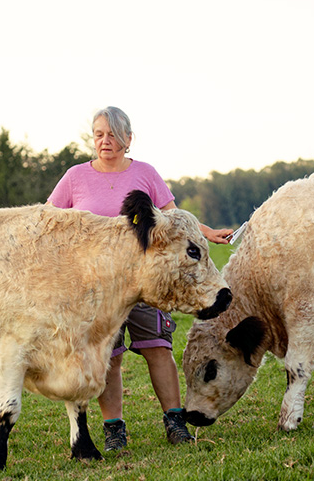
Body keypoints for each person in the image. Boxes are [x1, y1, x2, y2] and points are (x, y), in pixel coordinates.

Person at [48, 106, 233, 451]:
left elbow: (175, 220)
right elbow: (51, 222)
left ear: (128, 139)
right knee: (110, 357)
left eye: (114, 135)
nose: (106, 141)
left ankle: (175, 423)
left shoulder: (145, 173)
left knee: (159, 350)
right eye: (99, 134)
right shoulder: (74, 177)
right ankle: (114, 429)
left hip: (149, 282)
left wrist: (207, 234)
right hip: (98, 289)